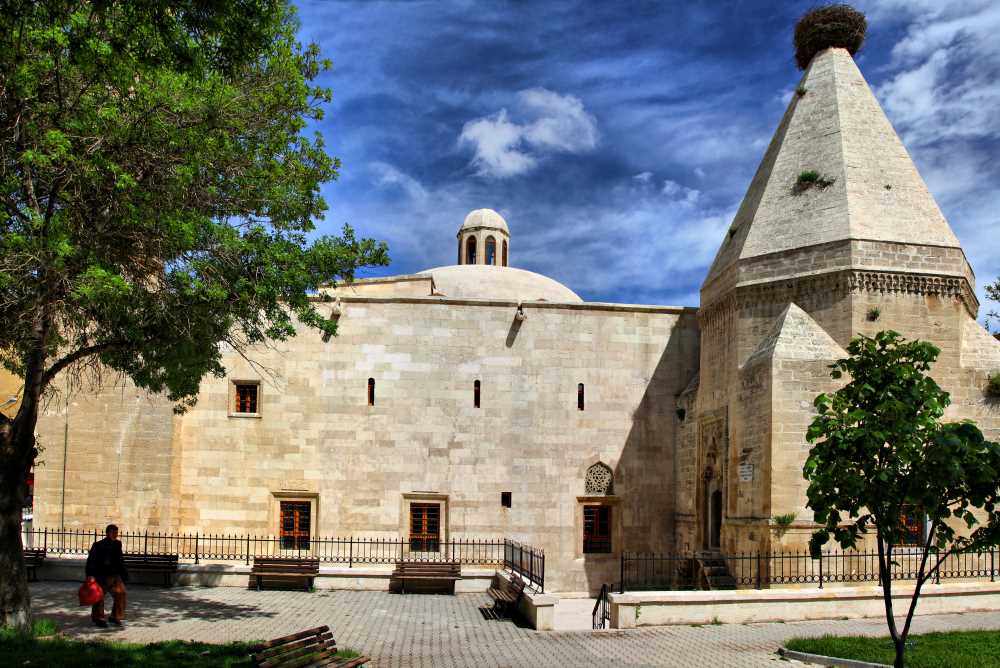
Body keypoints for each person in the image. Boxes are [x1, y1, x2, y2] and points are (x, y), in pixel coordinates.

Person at [85, 524, 128, 627]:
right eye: (113, 532)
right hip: (102, 576)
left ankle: (115, 616)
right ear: (107, 533)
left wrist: (124, 574)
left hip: (115, 575)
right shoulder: (98, 545)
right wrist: (90, 574)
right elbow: (91, 561)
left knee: (121, 594)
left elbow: (120, 560)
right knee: (99, 597)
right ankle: (98, 618)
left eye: (116, 533)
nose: (115, 535)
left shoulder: (118, 544)